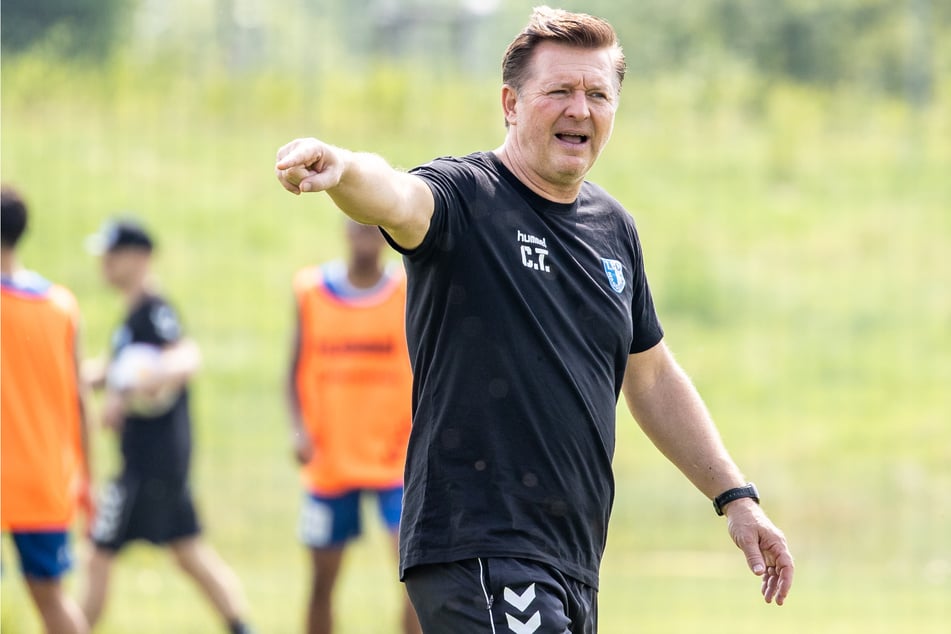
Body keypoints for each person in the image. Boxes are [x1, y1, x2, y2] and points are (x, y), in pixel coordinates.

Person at [274, 6, 794, 632]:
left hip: (571, 560)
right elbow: (397, 196)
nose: (581, 109)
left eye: (598, 94)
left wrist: (735, 497)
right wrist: (344, 169)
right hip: (480, 544)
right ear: (511, 103)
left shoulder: (614, 230)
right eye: (560, 91)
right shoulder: (467, 196)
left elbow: (652, 379)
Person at [79, 218, 254, 634]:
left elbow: (184, 358)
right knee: (188, 551)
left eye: (113, 253)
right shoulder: (133, 317)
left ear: (140, 258)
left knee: (97, 552)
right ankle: (243, 628)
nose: (104, 262)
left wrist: (128, 383)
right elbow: (115, 367)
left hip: (148, 466)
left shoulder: (156, 311)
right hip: (158, 464)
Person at [287, 219, 421, 634]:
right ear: (344, 230)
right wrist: (297, 428)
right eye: (357, 227)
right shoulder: (311, 291)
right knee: (321, 580)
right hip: (331, 457)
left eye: (372, 228)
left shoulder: (407, 291)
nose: (364, 236)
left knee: (416, 579)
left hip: (398, 459)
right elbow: (293, 368)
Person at [1, 185, 92, 634]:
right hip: (44, 478)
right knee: (53, 600)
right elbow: (81, 401)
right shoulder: (61, 306)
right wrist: (88, 477)